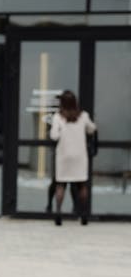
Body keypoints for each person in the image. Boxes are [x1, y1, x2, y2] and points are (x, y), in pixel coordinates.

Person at [49, 90, 97, 226]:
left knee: (61, 185)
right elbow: (92, 129)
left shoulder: (58, 117)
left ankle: (58, 212)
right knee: (82, 185)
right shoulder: (83, 116)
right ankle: (83, 214)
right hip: (79, 156)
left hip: (64, 156)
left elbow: (54, 136)